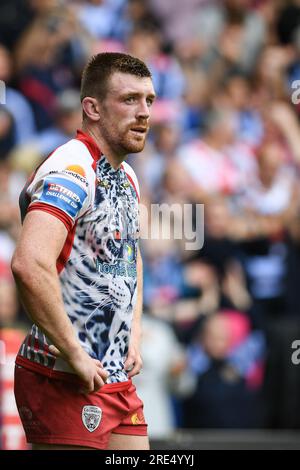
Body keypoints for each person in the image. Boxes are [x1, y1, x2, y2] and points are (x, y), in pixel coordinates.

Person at [11, 52, 156, 450]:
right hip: (61, 377)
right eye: (129, 100)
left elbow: (130, 254)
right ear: (91, 107)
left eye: (149, 100)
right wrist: (74, 351)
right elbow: (29, 264)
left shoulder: (125, 174)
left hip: (112, 379)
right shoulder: (72, 171)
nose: (144, 112)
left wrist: (134, 331)